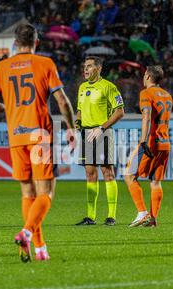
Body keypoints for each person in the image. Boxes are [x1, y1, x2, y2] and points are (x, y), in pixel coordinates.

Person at [0, 23, 75, 262]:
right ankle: (26, 232)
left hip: (16, 135)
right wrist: (72, 128)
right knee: (46, 192)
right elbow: (62, 101)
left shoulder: (2, 67)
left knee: (28, 192)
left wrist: (9, 108)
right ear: (37, 42)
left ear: (15, 43)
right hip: (40, 136)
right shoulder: (45, 64)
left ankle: (40, 249)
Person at [75, 56, 124, 226]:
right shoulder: (82, 87)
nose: (85, 69)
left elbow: (119, 111)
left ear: (99, 68)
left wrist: (101, 128)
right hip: (86, 133)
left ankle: (111, 216)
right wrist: (77, 125)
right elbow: (80, 110)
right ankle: (90, 217)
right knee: (90, 174)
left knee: (107, 172)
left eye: (89, 66)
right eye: (84, 66)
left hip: (102, 132)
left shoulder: (108, 87)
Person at [125, 66, 172, 227]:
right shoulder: (167, 95)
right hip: (165, 143)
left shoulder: (146, 93)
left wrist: (143, 140)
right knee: (155, 182)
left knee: (129, 175)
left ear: (148, 76)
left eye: (144, 74)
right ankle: (152, 219)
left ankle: (142, 212)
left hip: (151, 142)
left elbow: (146, 116)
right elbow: (155, 113)